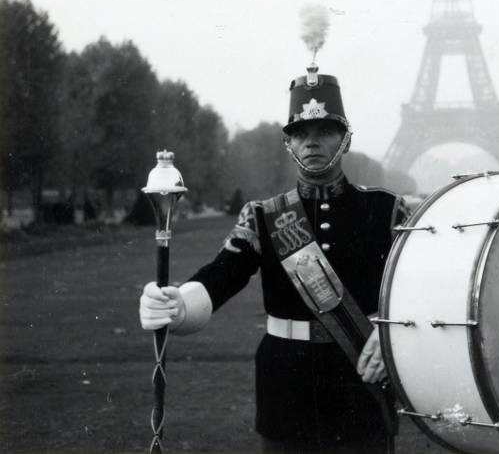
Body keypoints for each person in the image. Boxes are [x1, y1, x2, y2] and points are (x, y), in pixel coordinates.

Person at [139, 65, 408, 453]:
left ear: (346, 139)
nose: (312, 142)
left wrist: (391, 333)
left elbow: (423, 291)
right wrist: (178, 305)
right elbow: (222, 275)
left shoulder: (385, 211)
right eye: (300, 133)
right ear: (289, 144)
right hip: (286, 391)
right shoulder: (263, 216)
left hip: (360, 387)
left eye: (325, 132)